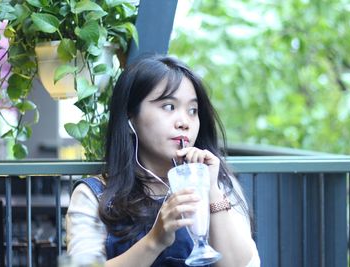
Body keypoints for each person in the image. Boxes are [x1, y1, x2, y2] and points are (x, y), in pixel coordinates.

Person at [66, 55, 260, 267]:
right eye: (169, 106)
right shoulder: (95, 195)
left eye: (193, 110)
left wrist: (211, 188)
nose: (184, 122)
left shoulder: (219, 182)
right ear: (130, 115)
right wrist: (154, 240)